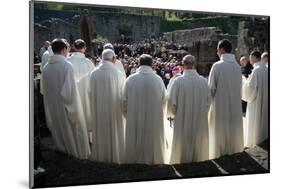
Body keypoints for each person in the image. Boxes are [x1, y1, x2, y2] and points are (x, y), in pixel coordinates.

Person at [42, 38, 90, 159]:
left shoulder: (46, 67)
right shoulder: (66, 65)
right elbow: (69, 92)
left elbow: (44, 90)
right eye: (67, 48)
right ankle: (76, 155)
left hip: (53, 106)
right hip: (66, 108)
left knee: (60, 133)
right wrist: (75, 112)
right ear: (64, 49)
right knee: (73, 135)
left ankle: (62, 153)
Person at [122, 54, 167, 164]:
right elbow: (164, 99)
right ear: (152, 64)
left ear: (138, 64)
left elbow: (123, 101)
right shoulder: (158, 80)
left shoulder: (130, 79)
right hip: (154, 116)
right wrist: (161, 112)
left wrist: (128, 114)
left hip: (135, 116)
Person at [167, 55, 210, 164]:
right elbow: (208, 102)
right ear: (195, 65)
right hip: (199, 118)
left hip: (182, 118)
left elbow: (172, 103)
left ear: (183, 65)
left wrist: (174, 114)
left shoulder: (178, 82)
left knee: (182, 143)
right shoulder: (204, 81)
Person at [208, 39, 244, 159]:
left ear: (222, 49)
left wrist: (206, 105)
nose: (216, 51)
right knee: (233, 126)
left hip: (220, 104)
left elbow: (211, 89)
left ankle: (219, 152)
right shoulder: (237, 67)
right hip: (234, 103)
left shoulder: (217, 66)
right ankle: (233, 149)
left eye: (217, 49)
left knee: (220, 129)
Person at [89, 49, 125, 163]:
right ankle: (116, 156)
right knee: (115, 133)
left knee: (101, 131)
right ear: (114, 59)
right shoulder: (117, 74)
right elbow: (123, 95)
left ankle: (101, 155)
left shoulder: (94, 73)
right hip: (114, 110)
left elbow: (89, 93)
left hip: (99, 109)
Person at [67, 39, 95, 141]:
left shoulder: (68, 61)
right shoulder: (88, 63)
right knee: (87, 113)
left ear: (74, 47)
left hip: (73, 93)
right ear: (84, 48)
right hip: (86, 93)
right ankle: (88, 138)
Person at [242, 51, 268, 147]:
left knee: (255, 122)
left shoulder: (256, 70)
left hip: (255, 102)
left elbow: (250, 89)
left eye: (250, 57)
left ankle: (253, 142)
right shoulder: (265, 68)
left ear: (253, 57)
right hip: (265, 99)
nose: (250, 60)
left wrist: (244, 81)